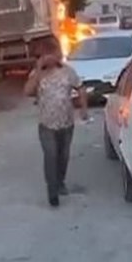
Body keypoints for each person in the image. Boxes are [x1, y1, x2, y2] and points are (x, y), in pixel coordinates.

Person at [24, 45, 88, 207]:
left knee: (63, 156)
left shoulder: (67, 71)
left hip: (66, 122)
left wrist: (83, 108)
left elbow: (80, 87)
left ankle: (60, 182)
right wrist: (38, 70)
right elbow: (27, 91)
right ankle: (52, 192)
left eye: (52, 54)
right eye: (45, 55)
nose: (49, 58)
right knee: (51, 156)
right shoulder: (37, 74)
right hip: (47, 125)